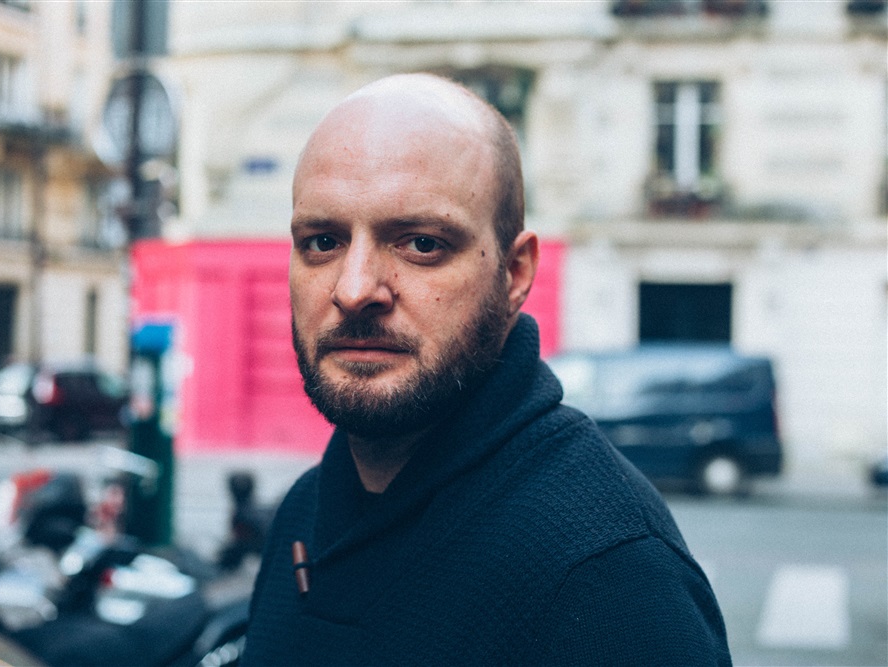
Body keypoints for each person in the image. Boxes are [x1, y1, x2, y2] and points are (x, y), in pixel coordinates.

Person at [241, 73, 731, 666]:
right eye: (322, 242)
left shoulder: (611, 574)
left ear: (515, 273)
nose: (355, 289)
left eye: (422, 244)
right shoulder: (302, 513)